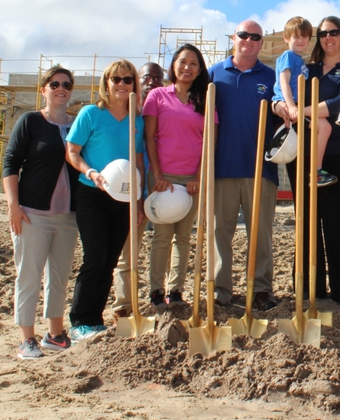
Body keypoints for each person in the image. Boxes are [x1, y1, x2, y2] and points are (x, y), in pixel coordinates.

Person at [275, 16, 340, 308]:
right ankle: (307, 287)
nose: (328, 38)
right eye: (323, 33)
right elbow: (280, 91)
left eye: (334, 32)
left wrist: (302, 109)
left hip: (337, 150)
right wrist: (283, 108)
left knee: (335, 218)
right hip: (303, 149)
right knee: (306, 217)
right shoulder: (307, 68)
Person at [2, 67, 80, 359]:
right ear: (44, 89)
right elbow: (11, 163)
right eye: (55, 84)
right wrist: (13, 204)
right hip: (32, 213)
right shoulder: (30, 121)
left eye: (67, 85)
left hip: (67, 216)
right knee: (29, 275)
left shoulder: (77, 124)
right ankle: (27, 338)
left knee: (59, 276)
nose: (61, 88)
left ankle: (55, 334)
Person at [65, 60, 145, 342]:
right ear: (107, 83)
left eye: (128, 79)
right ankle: (79, 320)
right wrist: (90, 172)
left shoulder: (138, 120)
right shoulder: (91, 114)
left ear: (135, 84)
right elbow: (72, 152)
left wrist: (138, 199)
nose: (122, 84)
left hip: (123, 198)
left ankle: (95, 320)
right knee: (95, 257)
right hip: (93, 194)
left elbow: (138, 162)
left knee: (110, 260)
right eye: (116, 79)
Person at [209, 20, 280, 311]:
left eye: (255, 37)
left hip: (259, 170)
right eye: (243, 35)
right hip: (221, 168)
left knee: (260, 233)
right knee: (218, 232)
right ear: (233, 38)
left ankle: (261, 289)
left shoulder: (272, 78)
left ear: (262, 43)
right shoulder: (213, 74)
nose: (248, 40)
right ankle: (220, 290)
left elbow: (283, 111)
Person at [143, 44, 208, 306]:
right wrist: (158, 174)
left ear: (200, 69)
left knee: (183, 237)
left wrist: (197, 177)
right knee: (161, 236)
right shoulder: (157, 96)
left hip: (191, 179)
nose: (187, 67)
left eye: (193, 63)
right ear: (173, 65)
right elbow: (149, 137)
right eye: (182, 62)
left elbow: (208, 141)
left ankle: (176, 290)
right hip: (162, 178)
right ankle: (156, 290)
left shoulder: (205, 98)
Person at [112, 61, 163, 320]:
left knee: (161, 242)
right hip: (125, 188)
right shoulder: (125, 112)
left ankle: (159, 295)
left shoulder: (160, 111)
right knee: (128, 249)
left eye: (157, 77)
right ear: (136, 81)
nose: (152, 81)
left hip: (155, 184)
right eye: (146, 77)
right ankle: (124, 305)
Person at [273, 16, 336, 187]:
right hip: (290, 102)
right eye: (296, 36)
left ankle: (315, 169)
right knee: (324, 127)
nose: (301, 40)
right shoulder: (288, 56)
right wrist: (291, 105)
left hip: (297, 104)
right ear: (286, 39)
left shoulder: (299, 60)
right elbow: (283, 82)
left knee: (324, 127)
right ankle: (315, 170)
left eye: (305, 37)